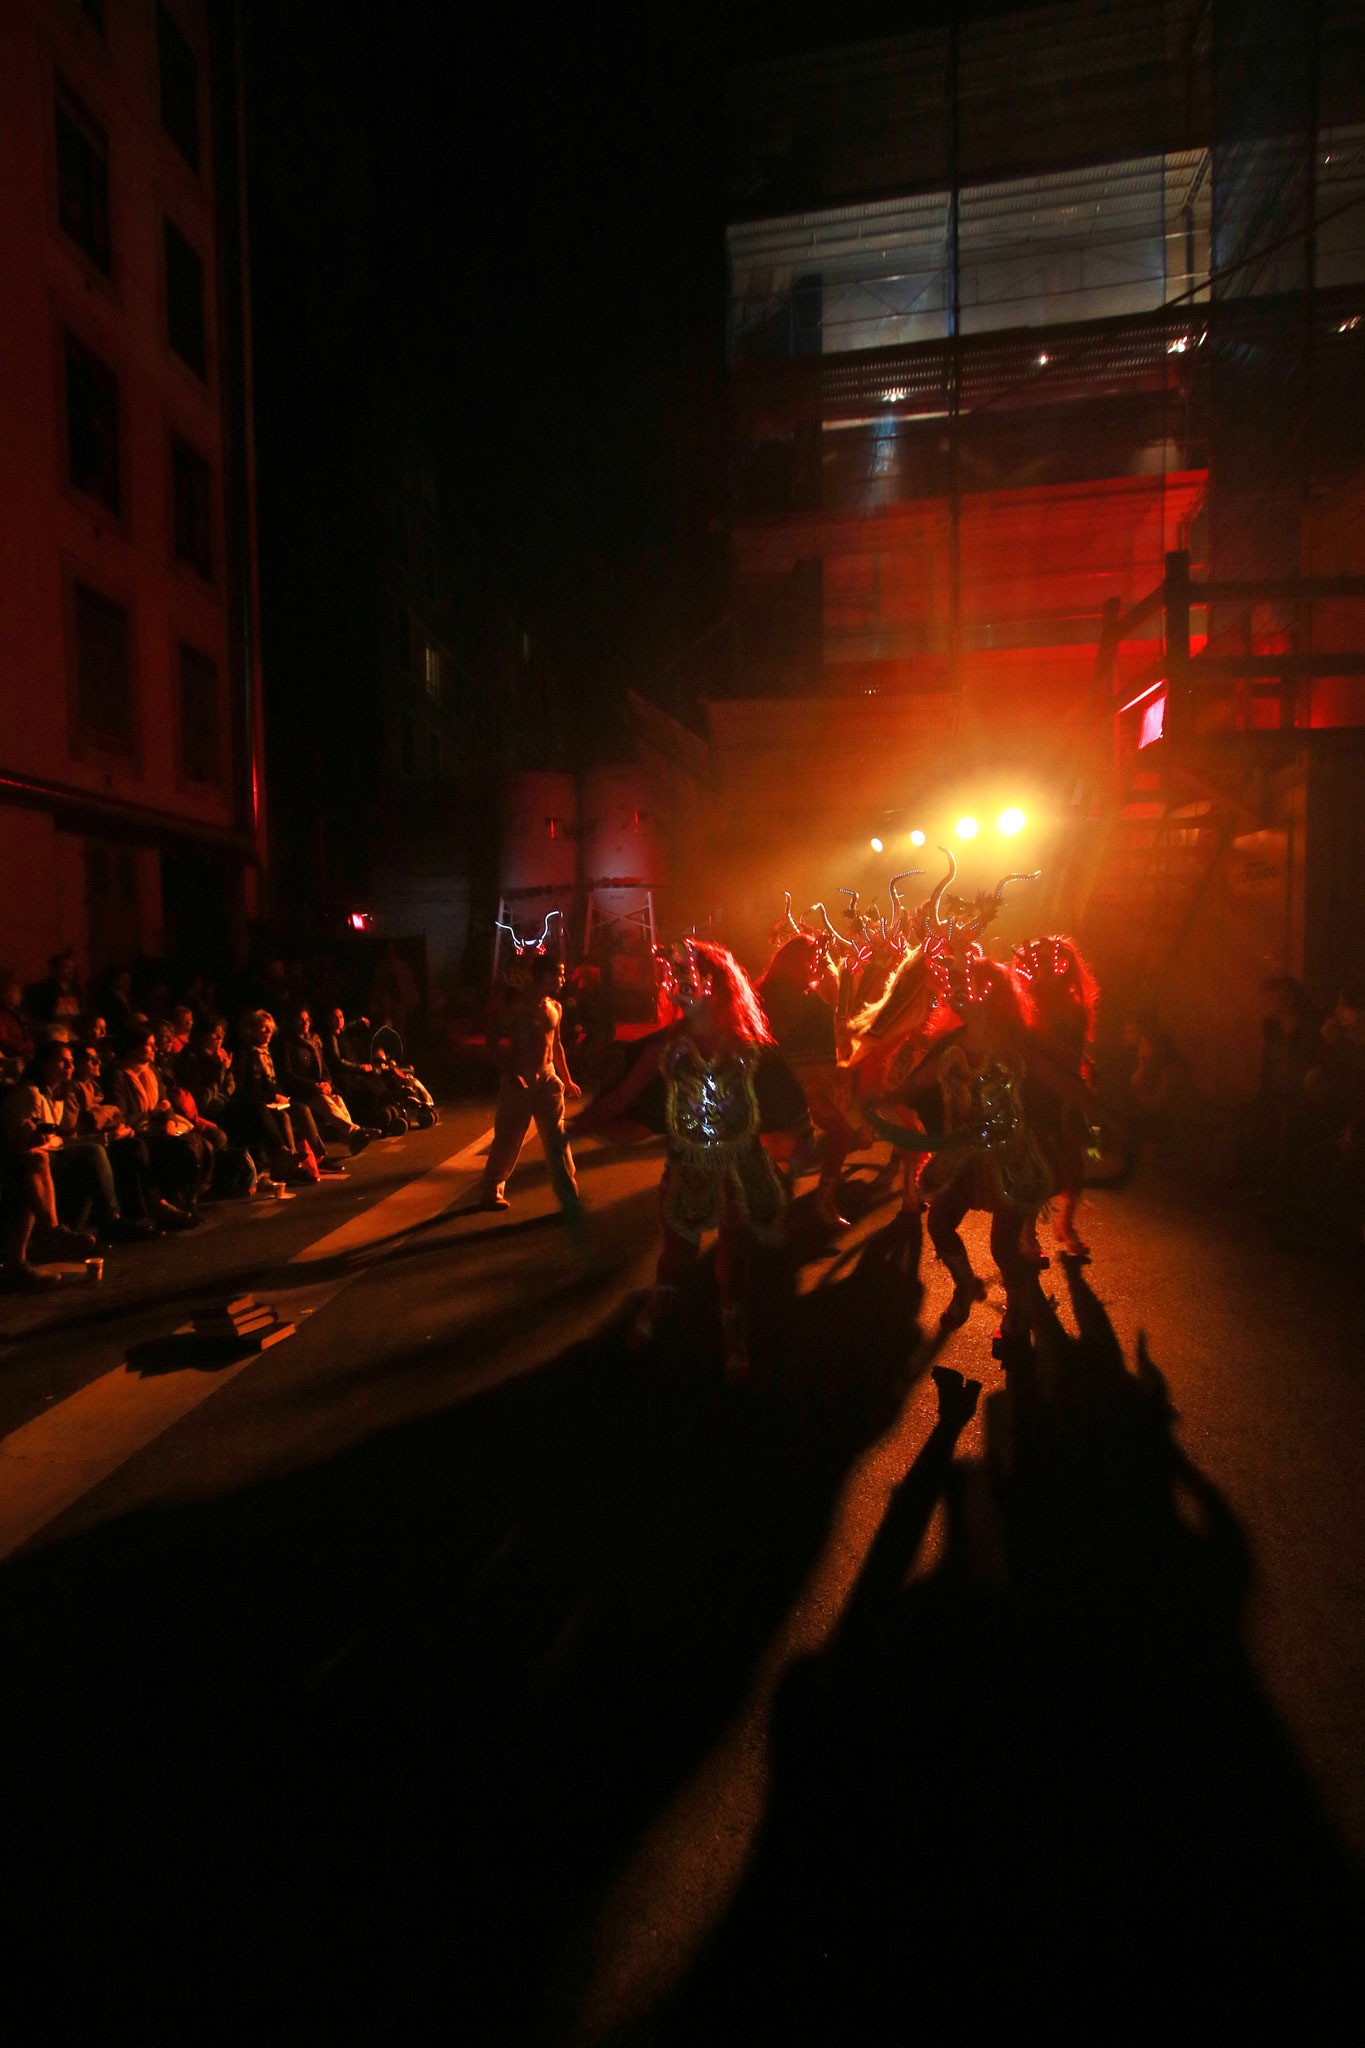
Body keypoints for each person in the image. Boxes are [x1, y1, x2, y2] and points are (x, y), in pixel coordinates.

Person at [576, 939, 806, 1381]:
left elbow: (782, 1105)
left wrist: (791, 1142)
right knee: (677, 1253)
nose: (676, 986)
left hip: (739, 1166)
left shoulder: (749, 1047)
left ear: (715, 986)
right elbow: (627, 1099)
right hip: (688, 1166)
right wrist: (584, 1124)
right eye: (672, 978)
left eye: (687, 977)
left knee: (733, 1256)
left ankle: (733, 1330)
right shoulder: (662, 1049)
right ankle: (658, 1305)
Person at [479, 952, 580, 1212]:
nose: (562, 979)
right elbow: (491, 1040)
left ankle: (568, 1195)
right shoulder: (517, 1007)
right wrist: (509, 1072)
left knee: (556, 1137)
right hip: (521, 1078)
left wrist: (566, 1080)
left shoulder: (555, 1007)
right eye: (558, 974)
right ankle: (492, 1189)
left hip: (548, 1077)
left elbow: (556, 1045)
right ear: (543, 975)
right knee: (509, 1136)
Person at [108, 1024, 203, 1221]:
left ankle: (187, 1202)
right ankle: (162, 1206)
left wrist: (169, 1119)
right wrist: (153, 1113)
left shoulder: (151, 1070)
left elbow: (165, 1102)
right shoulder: (119, 1076)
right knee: (174, 1149)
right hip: (139, 1131)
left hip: (157, 1126)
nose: (154, 1048)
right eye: (149, 1045)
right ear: (133, 1048)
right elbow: (122, 1116)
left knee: (198, 1144)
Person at [277, 1006, 375, 1152]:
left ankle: (353, 1138)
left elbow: (323, 1067)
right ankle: (356, 1132)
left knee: (337, 1100)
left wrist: (326, 1082)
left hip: (318, 1087)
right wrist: (314, 1086)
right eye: (300, 1020)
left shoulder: (312, 1042)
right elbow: (288, 1075)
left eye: (307, 1019)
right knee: (325, 1102)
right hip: (303, 1091)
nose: (305, 1023)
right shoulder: (288, 1045)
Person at [26, 949, 84, 1031]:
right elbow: (41, 1015)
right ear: (57, 968)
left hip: (75, 1031)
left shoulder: (76, 989)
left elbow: (82, 1012)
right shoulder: (47, 989)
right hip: (55, 1032)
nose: (71, 971)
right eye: (67, 967)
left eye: (72, 967)